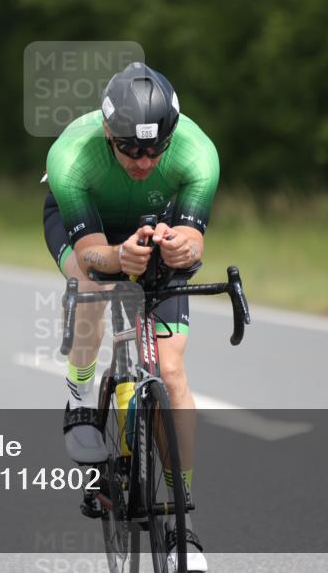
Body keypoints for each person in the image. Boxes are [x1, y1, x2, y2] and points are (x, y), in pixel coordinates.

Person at [43, 62, 219, 571]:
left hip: (156, 221)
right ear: (107, 133)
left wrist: (181, 248)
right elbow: (92, 255)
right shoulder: (71, 156)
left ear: (171, 137)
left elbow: (195, 242)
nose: (143, 161)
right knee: (91, 282)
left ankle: (182, 519)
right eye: (130, 149)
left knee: (171, 371)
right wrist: (119, 257)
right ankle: (80, 395)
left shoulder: (198, 153)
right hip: (91, 226)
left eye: (155, 150)